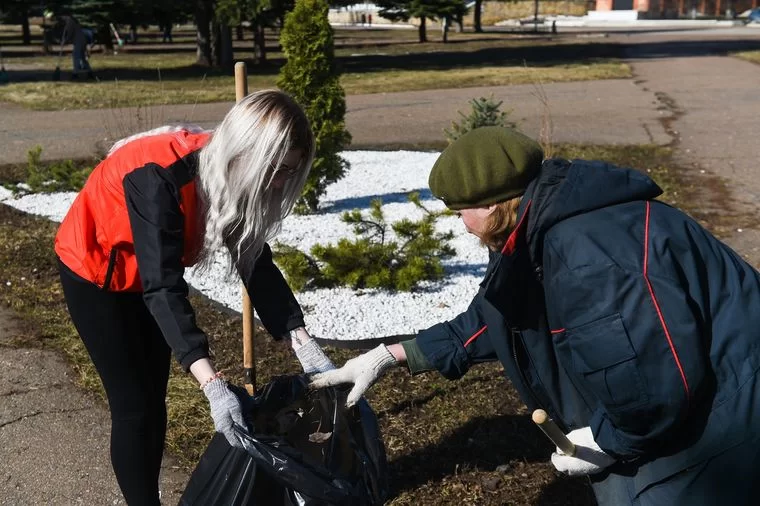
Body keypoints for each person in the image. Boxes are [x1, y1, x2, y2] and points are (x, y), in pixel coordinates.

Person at [310, 126, 760, 505]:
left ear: (490, 203)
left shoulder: (588, 256)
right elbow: (498, 316)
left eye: (461, 211)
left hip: (719, 425)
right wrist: (391, 355)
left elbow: (654, 387)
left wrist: (607, 440)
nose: (462, 224)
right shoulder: (538, 227)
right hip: (688, 411)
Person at [54, 89, 335, 505]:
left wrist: (303, 342)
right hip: (96, 272)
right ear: (248, 151)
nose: (279, 181)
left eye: (288, 171)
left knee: (155, 400)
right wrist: (213, 384)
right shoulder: (159, 177)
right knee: (134, 406)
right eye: (275, 168)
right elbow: (163, 286)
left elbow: (255, 262)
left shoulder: (233, 171)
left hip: (149, 277)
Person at [60, 15, 94, 79]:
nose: (62, 18)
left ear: (66, 16)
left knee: (76, 57)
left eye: (63, 16)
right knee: (82, 58)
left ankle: (75, 74)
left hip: (79, 41)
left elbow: (70, 34)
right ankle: (90, 73)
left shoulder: (70, 22)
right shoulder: (71, 22)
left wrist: (65, 41)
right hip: (81, 40)